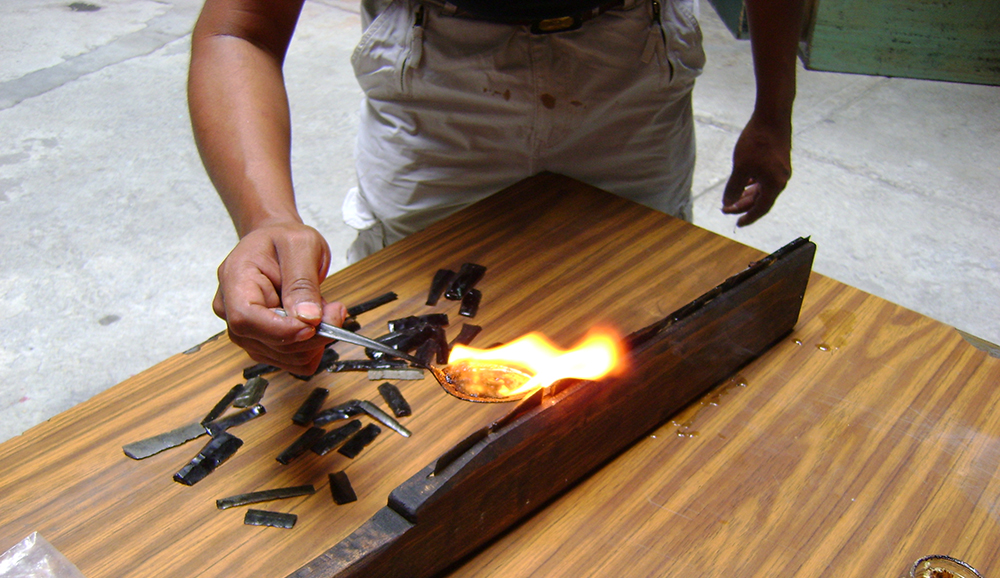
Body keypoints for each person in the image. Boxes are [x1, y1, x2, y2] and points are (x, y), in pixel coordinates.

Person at [189, 0, 804, 375]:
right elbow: (239, 29)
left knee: (646, 319)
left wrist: (776, 110)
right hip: (437, 77)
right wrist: (267, 218)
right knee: (413, 338)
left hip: (631, 64)